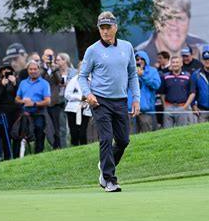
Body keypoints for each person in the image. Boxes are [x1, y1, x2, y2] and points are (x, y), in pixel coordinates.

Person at [78, 11, 140, 193]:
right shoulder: (92, 50)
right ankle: (109, 179)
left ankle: (104, 164)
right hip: (100, 100)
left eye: (108, 27)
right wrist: (88, 94)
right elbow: (82, 76)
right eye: (102, 28)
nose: (105, 31)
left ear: (116, 27)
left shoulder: (127, 47)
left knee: (123, 140)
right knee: (106, 138)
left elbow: (133, 75)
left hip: (121, 100)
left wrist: (136, 98)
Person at [136, 0, 207, 64]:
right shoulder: (138, 57)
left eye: (180, 18)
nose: (174, 26)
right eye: (167, 18)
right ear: (156, 22)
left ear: (189, 20)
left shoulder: (204, 48)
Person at [15, 60, 51, 154]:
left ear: (39, 70)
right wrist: (23, 101)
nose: (33, 71)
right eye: (31, 69)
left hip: (39, 114)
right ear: (27, 70)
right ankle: (23, 155)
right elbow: (17, 99)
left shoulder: (44, 83)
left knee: (39, 136)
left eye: (35, 69)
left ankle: (39, 155)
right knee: (22, 137)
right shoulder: (23, 83)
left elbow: (48, 101)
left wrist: (34, 103)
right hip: (25, 114)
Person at [128, 51, 161, 133]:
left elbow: (156, 85)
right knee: (129, 135)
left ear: (146, 60)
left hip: (146, 109)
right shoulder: (128, 71)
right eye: (137, 59)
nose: (139, 61)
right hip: (130, 109)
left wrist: (143, 75)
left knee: (146, 133)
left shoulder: (152, 71)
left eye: (142, 59)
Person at [159, 56, 194, 128]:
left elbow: (192, 93)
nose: (175, 64)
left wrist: (185, 106)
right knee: (167, 132)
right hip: (168, 107)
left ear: (181, 64)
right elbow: (162, 93)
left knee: (181, 131)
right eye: (173, 62)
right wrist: (165, 106)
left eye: (177, 62)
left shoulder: (187, 76)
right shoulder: (166, 76)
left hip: (182, 107)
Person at [0, 65, 21, 159]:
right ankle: (7, 156)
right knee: (5, 135)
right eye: (4, 71)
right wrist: (2, 85)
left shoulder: (17, 82)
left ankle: (17, 155)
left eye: (9, 71)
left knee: (16, 133)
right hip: (4, 111)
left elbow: (20, 94)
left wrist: (14, 84)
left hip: (16, 110)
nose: (6, 72)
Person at [64, 62, 91, 146]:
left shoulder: (91, 81)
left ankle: (84, 149)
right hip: (73, 109)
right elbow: (67, 95)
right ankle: (74, 148)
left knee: (83, 132)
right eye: (81, 67)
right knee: (74, 133)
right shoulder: (74, 80)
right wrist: (80, 97)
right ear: (78, 69)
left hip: (86, 109)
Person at [41, 48, 63, 149]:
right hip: (43, 102)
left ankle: (57, 146)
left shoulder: (56, 68)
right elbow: (40, 80)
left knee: (56, 126)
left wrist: (53, 69)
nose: (49, 58)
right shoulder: (40, 68)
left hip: (54, 102)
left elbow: (59, 81)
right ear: (43, 57)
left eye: (51, 56)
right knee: (45, 126)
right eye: (47, 55)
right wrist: (46, 69)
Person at [55, 52, 77, 147]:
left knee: (74, 125)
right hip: (60, 101)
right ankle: (64, 147)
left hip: (72, 101)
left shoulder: (74, 72)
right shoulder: (55, 73)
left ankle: (75, 144)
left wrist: (69, 84)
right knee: (62, 127)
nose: (56, 62)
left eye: (58, 60)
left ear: (65, 60)